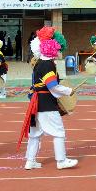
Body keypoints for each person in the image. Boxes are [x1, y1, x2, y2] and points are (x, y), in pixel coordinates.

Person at [17, 26, 78, 170]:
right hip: (46, 103)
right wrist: (68, 91)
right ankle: (61, 161)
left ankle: (30, 161)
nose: (58, 50)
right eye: (57, 48)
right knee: (58, 131)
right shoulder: (48, 64)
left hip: (36, 103)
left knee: (35, 133)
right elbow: (52, 86)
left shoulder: (39, 63)